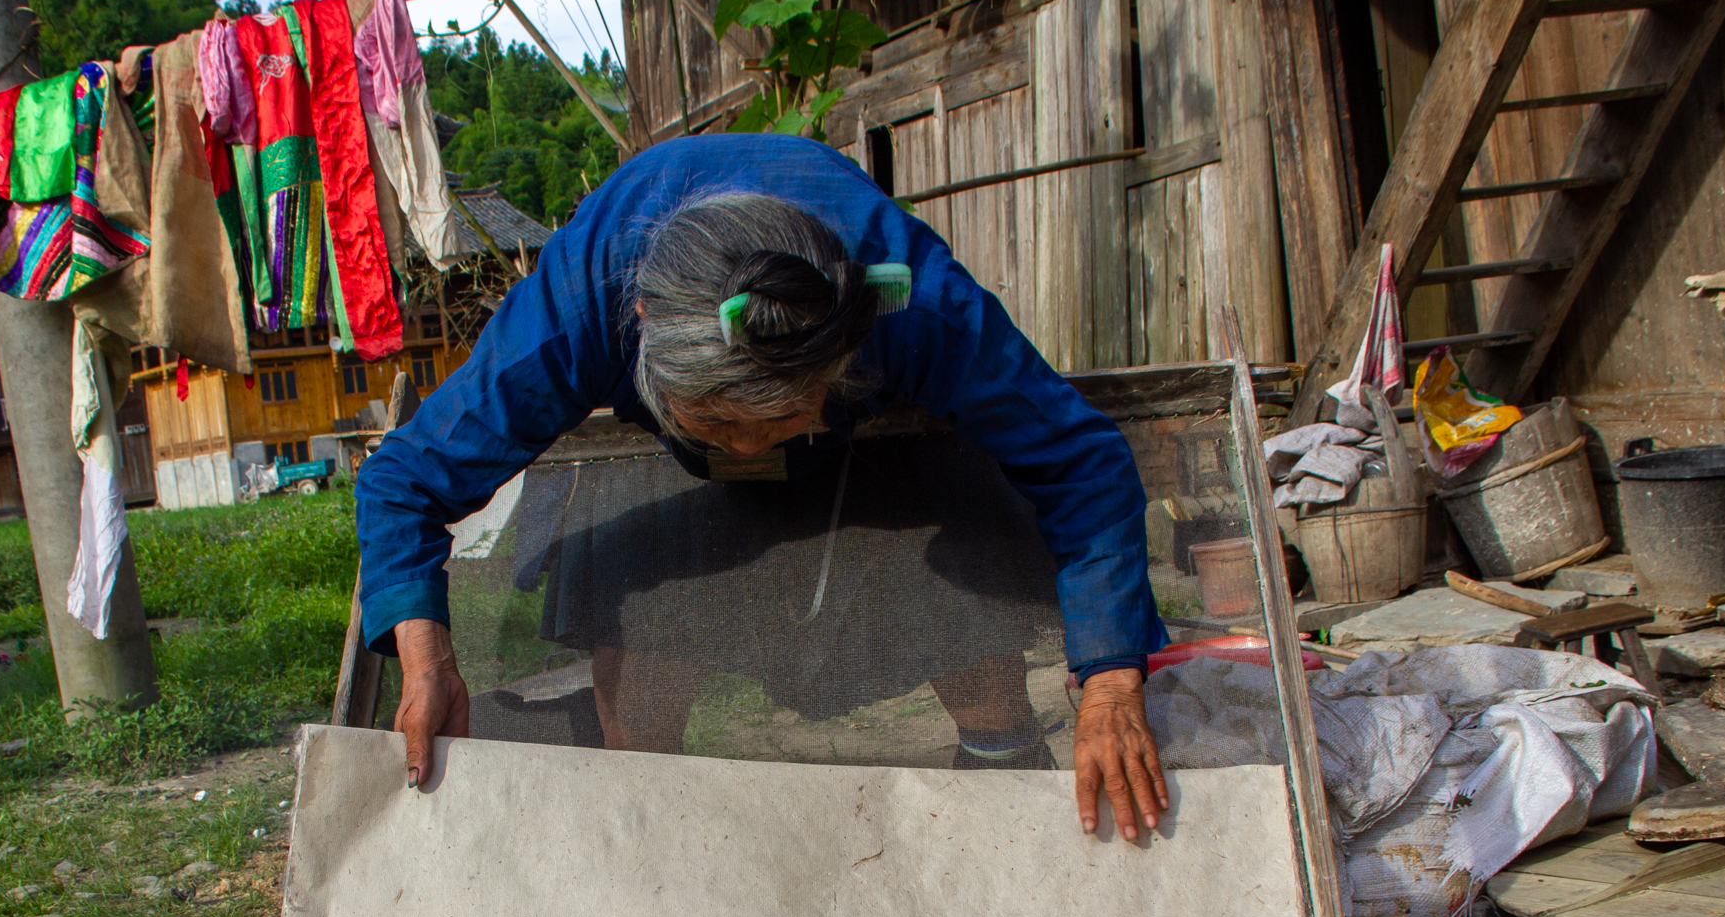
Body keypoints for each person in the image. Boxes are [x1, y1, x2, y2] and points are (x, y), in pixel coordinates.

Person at [353, 133, 1172, 840]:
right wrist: (428, 667)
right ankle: (655, 835)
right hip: (660, 461)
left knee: (963, 534)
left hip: (866, 444)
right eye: (719, 424)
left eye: (774, 422)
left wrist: (1108, 678)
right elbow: (403, 480)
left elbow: (1081, 460)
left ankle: (998, 770)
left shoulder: (914, 308)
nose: (746, 450)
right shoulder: (581, 305)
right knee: (631, 632)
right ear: (640, 333)